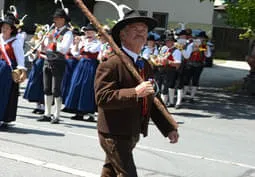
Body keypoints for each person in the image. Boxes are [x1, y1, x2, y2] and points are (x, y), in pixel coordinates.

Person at [94, 10, 179, 177]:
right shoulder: (111, 63)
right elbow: (102, 97)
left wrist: (168, 127)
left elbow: (152, 98)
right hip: (114, 131)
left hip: (132, 130)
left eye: (144, 29)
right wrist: (134, 92)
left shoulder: (144, 65)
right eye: (135, 28)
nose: (141, 32)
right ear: (123, 35)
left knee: (110, 172)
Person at [37, 8, 73, 124]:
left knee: (56, 89)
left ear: (63, 20)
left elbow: (64, 49)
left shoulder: (68, 32)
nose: (55, 21)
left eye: (57, 19)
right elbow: (48, 46)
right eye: (54, 19)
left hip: (58, 61)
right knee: (46, 88)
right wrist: (43, 44)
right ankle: (47, 113)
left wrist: (54, 41)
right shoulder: (53, 31)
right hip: (48, 60)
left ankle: (56, 115)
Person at [64, 23, 101, 121]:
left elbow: (92, 50)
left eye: (90, 31)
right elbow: (75, 53)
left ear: (95, 33)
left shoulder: (97, 43)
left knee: (87, 87)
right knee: (77, 85)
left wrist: (83, 42)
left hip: (91, 65)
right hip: (81, 64)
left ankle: (90, 113)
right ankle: (78, 112)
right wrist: (76, 43)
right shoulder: (83, 41)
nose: (88, 33)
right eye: (87, 31)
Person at [0, 12, 26, 128]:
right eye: (3, 27)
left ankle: (2, 117)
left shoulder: (16, 42)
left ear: (11, 30)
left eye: (7, 28)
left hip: (7, 70)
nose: (4, 29)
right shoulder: (0, 38)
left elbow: (20, 59)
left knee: (4, 93)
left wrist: (21, 71)